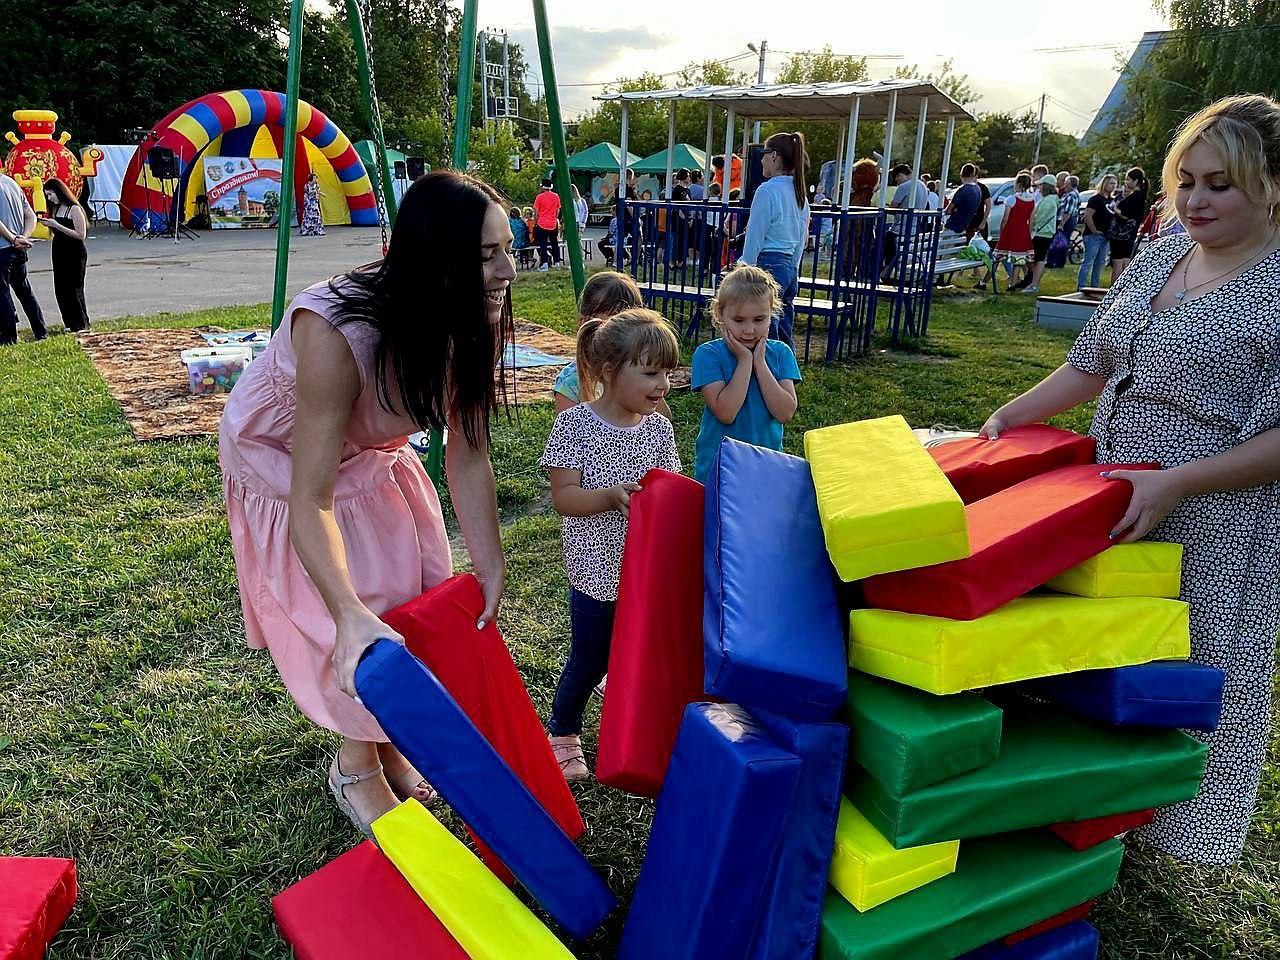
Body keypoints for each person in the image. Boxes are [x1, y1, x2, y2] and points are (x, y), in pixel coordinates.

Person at [980, 93, 1280, 866]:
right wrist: (1010, 415)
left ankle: (1172, 828)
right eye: (1189, 179)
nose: (1195, 199)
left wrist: (1178, 483)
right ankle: (1095, 810)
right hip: (1113, 491)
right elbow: (1092, 362)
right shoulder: (1160, 254)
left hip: (1219, 514)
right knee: (1105, 642)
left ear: (1273, 185)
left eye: (1222, 184)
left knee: (1192, 660)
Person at [218, 171, 513, 839]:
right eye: (485, 256)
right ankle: (355, 765)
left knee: (411, 596)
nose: (505, 271)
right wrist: (347, 613)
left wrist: (490, 558)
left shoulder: (475, 313)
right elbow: (311, 496)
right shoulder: (335, 331)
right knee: (357, 617)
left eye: (508, 248)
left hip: (370, 458)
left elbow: (468, 452)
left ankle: (386, 743)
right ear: (435, 263)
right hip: (286, 465)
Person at [541, 309, 681, 780]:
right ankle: (563, 732)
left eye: (666, 372)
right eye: (649, 372)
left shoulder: (658, 428)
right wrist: (608, 496)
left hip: (646, 572)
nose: (662, 383)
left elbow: (671, 488)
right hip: (597, 571)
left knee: (641, 654)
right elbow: (564, 498)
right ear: (607, 371)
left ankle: (636, 731)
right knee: (591, 655)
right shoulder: (575, 425)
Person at [691, 266, 801, 483]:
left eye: (759, 320)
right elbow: (726, 412)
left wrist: (759, 363)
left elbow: (785, 412)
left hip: (767, 469)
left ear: (771, 315)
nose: (749, 330)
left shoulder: (780, 353)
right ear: (721, 315)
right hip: (721, 470)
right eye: (739, 320)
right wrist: (744, 361)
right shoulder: (708, 354)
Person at [739, 132, 810, 347]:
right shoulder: (800, 194)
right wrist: (794, 268)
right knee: (784, 325)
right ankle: (785, 375)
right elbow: (801, 239)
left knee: (766, 330)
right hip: (789, 266)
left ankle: (767, 373)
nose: (761, 159)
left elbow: (755, 234)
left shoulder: (767, 190)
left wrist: (745, 267)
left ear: (774, 156)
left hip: (767, 264)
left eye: (764, 153)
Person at [552, 270, 651, 413]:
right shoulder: (571, 383)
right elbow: (566, 431)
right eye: (614, 319)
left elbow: (661, 417)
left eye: (631, 320)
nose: (624, 329)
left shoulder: (639, 371)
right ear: (585, 321)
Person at [0, 168, 47, 345]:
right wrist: (24, 237)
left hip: (3, 248)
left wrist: (12, 238)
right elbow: (30, 215)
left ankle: (8, 337)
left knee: (2, 293)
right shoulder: (11, 183)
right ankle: (40, 331)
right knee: (24, 290)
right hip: (19, 248)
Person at [38, 178, 90, 332]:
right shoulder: (56, 208)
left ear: (59, 191)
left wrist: (57, 225)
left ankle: (81, 323)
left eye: (50, 194)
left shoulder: (73, 209)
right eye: (47, 195)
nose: (49, 198)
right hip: (59, 250)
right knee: (61, 288)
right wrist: (49, 225)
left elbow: (81, 234)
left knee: (73, 287)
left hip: (74, 251)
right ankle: (69, 322)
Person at [1011, 174, 1059, 293]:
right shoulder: (1049, 199)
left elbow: (1038, 218)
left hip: (1042, 233)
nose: (1039, 188)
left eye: (1041, 185)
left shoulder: (1049, 201)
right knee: (1035, 258)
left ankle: (1033, 284)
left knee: (1038, 259)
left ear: (1046, 186)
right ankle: (1031, 280)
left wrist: (1029, 224)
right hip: (1042, 233)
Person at [992, 172, 1035, 289]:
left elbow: (1005, 218)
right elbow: (1031, 220)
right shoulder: (1032, 200)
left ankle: (986, 281)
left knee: (997, 256)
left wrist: (1002, 231)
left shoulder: (1012, 199)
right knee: (1019, 258)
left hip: (1011, 230)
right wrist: (1029, 234)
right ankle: (1013, 283)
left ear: (1019, 184)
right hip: (1023, 231)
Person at [1078, 173, 1118, 288]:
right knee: (1088, 261)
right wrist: (1094, 230)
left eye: (1115, 184)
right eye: (1111, 183)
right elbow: (1088, 216)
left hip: (1106, 236)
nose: (1113, 186)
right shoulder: (1095, 199)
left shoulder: (1111, 200)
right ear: (1104, 183)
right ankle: (1081, 286)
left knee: (1099, 263)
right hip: (1093, 235)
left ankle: (1094, 286)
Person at [1109, 166, 1149, 280]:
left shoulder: (1134, 197)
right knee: (1125, 262)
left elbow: (1125, 215)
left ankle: (1114, 291)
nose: (1126, 182)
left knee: (1117, 263)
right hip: (1130, 234)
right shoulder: (1141, 196)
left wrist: (1115, 208)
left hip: (1121, 234)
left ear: (1135, 181)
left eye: (1128, 179)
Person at [944, 163, 983, 239]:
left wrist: (953, 210)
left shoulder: (963, 190)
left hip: (953, 226)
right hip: (964, 227)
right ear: (973, 174)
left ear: (961, 174)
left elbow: (948, 210)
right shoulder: (978, 190)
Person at [533, 179, 562, 271]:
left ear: (543, 187)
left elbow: (536, 212)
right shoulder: (556, 196)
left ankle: (544, 264)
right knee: (554, 243)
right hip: (553, 223)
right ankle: (557, 262)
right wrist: (554, 218)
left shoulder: (539, 197)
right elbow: (558, 210)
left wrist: (536, 222)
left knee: (543, 245)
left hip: (542, 223)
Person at [300, 171, 325, 237]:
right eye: (315, 178)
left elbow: (318, 191)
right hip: (309, 203)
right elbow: (305, 195)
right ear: (311, 179)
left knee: (317, 216)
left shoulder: (316, 185)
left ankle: (318, 230)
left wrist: (322, 194)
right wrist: (307, 204)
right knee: (308, 217)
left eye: (316, 178)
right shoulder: (307, 186)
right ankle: (306, 230)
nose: (316, 179)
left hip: (315, 203)